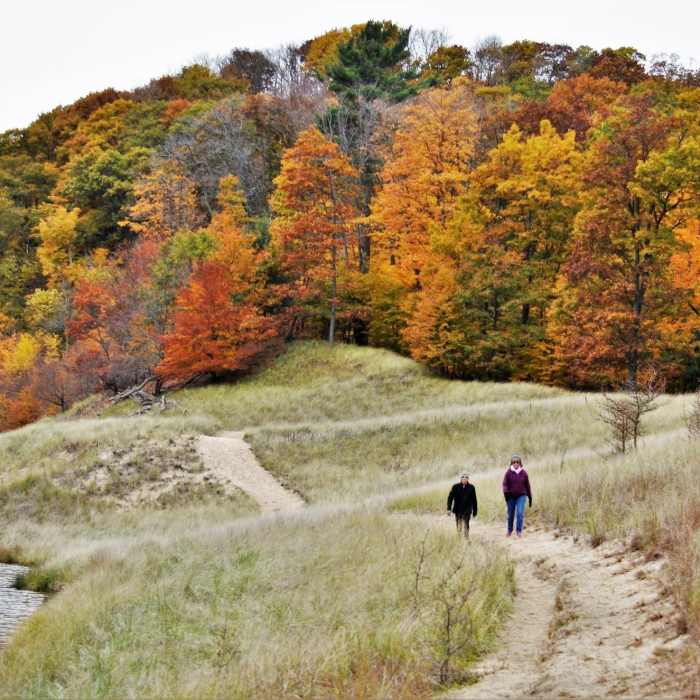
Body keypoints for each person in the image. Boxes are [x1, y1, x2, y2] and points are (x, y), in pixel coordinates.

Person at [502, 454, 532, 538]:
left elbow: (528, 486)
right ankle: (509, 530)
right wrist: (506, 493)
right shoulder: (508, 473)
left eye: (517, 462)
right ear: (511, 463)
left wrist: (530, 497)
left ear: (520, 463)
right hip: (511, 497)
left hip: (521, 496)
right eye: (514, 462)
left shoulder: (524, 473)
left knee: (520, 513)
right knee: (510, 514)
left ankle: (519, 531)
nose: (515, 463)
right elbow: (504, 484)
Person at [447, 473, 478, 539]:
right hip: (458, 509)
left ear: (468, 479)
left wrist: (475, 511)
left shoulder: (471, 487)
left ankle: (466, 539)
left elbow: (474, 500)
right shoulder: (455, 487)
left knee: (466, 524)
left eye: (466, 477)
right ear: (460, 478)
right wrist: (449, 508)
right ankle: (459, 539)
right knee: (459, 524)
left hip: (467, 509)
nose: (464, 478)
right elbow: (450, 498)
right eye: (463, 477)